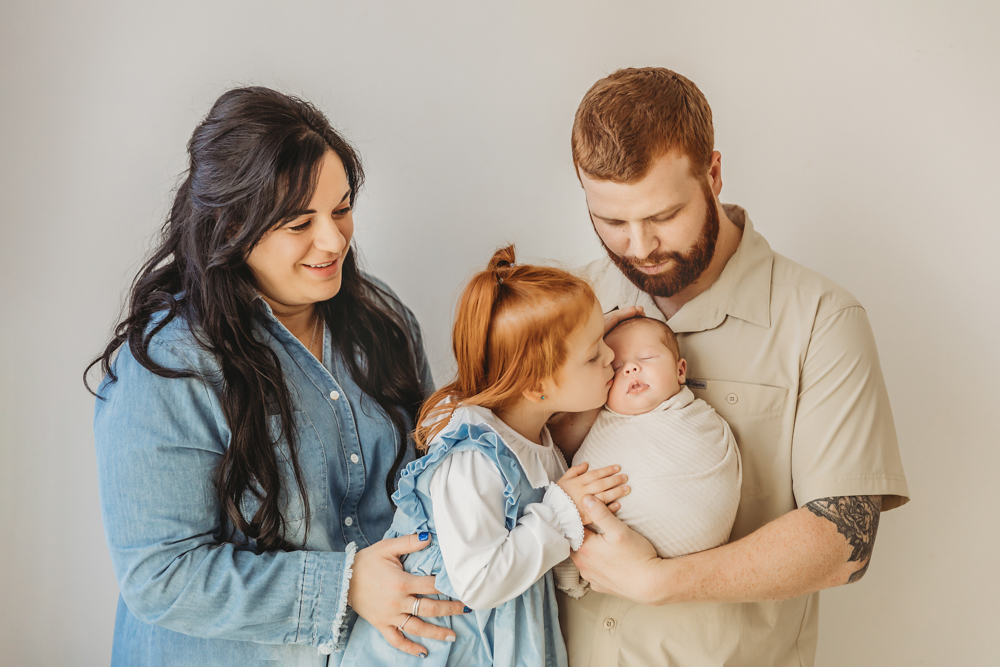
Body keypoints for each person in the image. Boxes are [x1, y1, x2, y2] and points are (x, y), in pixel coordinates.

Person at [87, 87, 468, 666]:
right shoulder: (168, 365)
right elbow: (160, 575)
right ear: (232, 225)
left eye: (341, 209)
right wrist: (343, 586)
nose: (334, 240)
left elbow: (425, 482)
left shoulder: (384, 322)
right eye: (299, 222)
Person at [555, 68, 910, 666]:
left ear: (713, 175)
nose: (638, 248)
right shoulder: (570, 305)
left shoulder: (822, 319)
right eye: (613, 222)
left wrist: (660, 581)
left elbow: (845, 539)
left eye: (663, 215)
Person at [341, 246, 631, 666]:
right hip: (447, 642)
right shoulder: (473, 460)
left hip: (504, 619)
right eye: (594, 353)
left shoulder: (534, 430)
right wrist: (560, 512)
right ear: (537, 387)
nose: (612, 356)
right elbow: (477, 582)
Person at [553, 316, 741, 599]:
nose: (631, 368)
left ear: (680, 371)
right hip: (596, 563)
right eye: (617, 368)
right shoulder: (598, 424)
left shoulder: (702, 423)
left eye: (647, 357)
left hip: (697, 573)